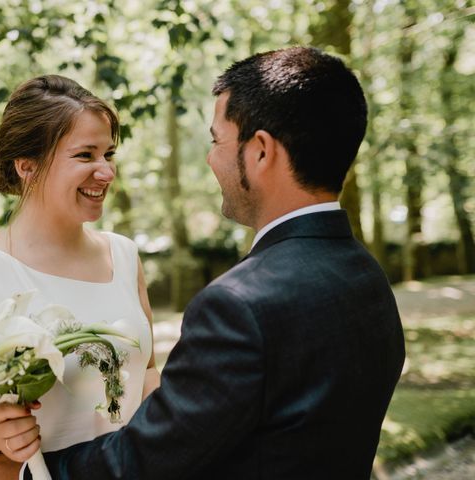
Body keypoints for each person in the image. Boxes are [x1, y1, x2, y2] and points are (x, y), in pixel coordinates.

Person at [24, 46, 405, 479]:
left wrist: (35, 472)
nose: (210, 158)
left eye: (217, 140)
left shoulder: (239, 306)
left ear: (261, 151)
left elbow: (150, 460)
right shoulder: (366, 276)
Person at [0, 75, 161, 480]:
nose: (105, 172)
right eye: (85, 155)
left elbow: (147, 370)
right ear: (27, 166)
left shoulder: (125, 256)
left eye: (108, 154)